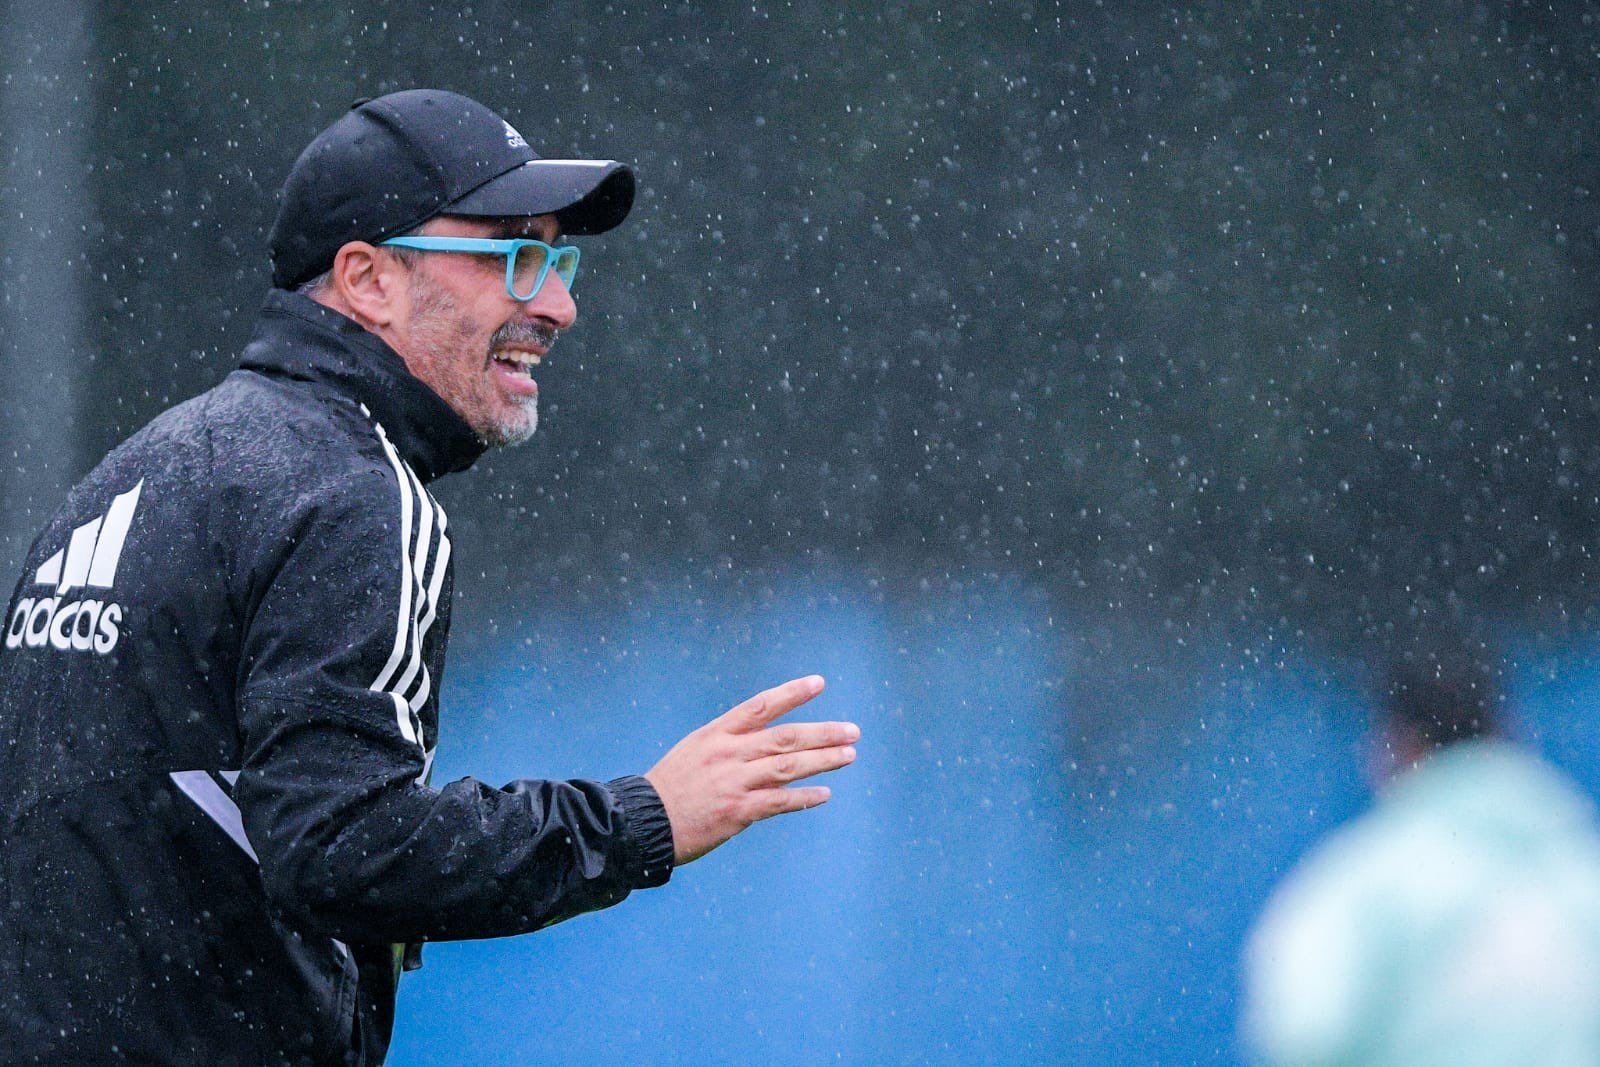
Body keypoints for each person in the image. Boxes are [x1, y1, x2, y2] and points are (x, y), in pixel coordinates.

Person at [0, 89, 860, 1064]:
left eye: (560, 258)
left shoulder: (135, 472)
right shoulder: (354, 493)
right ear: (366, 278)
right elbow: (343, 851)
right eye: (515, 257)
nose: (558, 303)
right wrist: (643, 817)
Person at [1241, 635, 1600, 1066]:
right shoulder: (1584, 872)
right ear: (1509, 733)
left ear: (1395, 745)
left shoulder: (1365, 886)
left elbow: (1305, 1035)